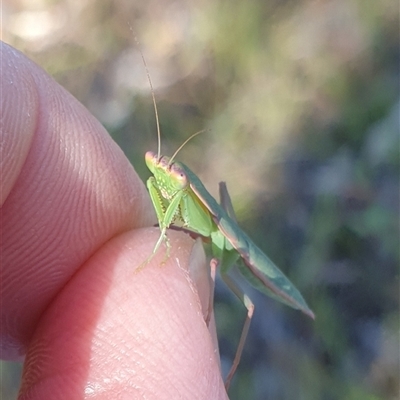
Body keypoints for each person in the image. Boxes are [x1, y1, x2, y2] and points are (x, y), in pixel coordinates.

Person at [0, 41, 228, 399]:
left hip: (241, 254)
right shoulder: (161, 180)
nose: (159, 172)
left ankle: (228, 369)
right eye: (155, 162)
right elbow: (159, 182)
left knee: (245, 304)